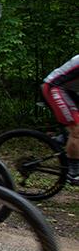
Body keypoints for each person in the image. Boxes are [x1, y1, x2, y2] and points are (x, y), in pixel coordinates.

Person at [42, 54, 79, 185]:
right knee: (77, 129)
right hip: (55, 87)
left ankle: (62, 139)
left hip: (69, 90)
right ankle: (73, 172)